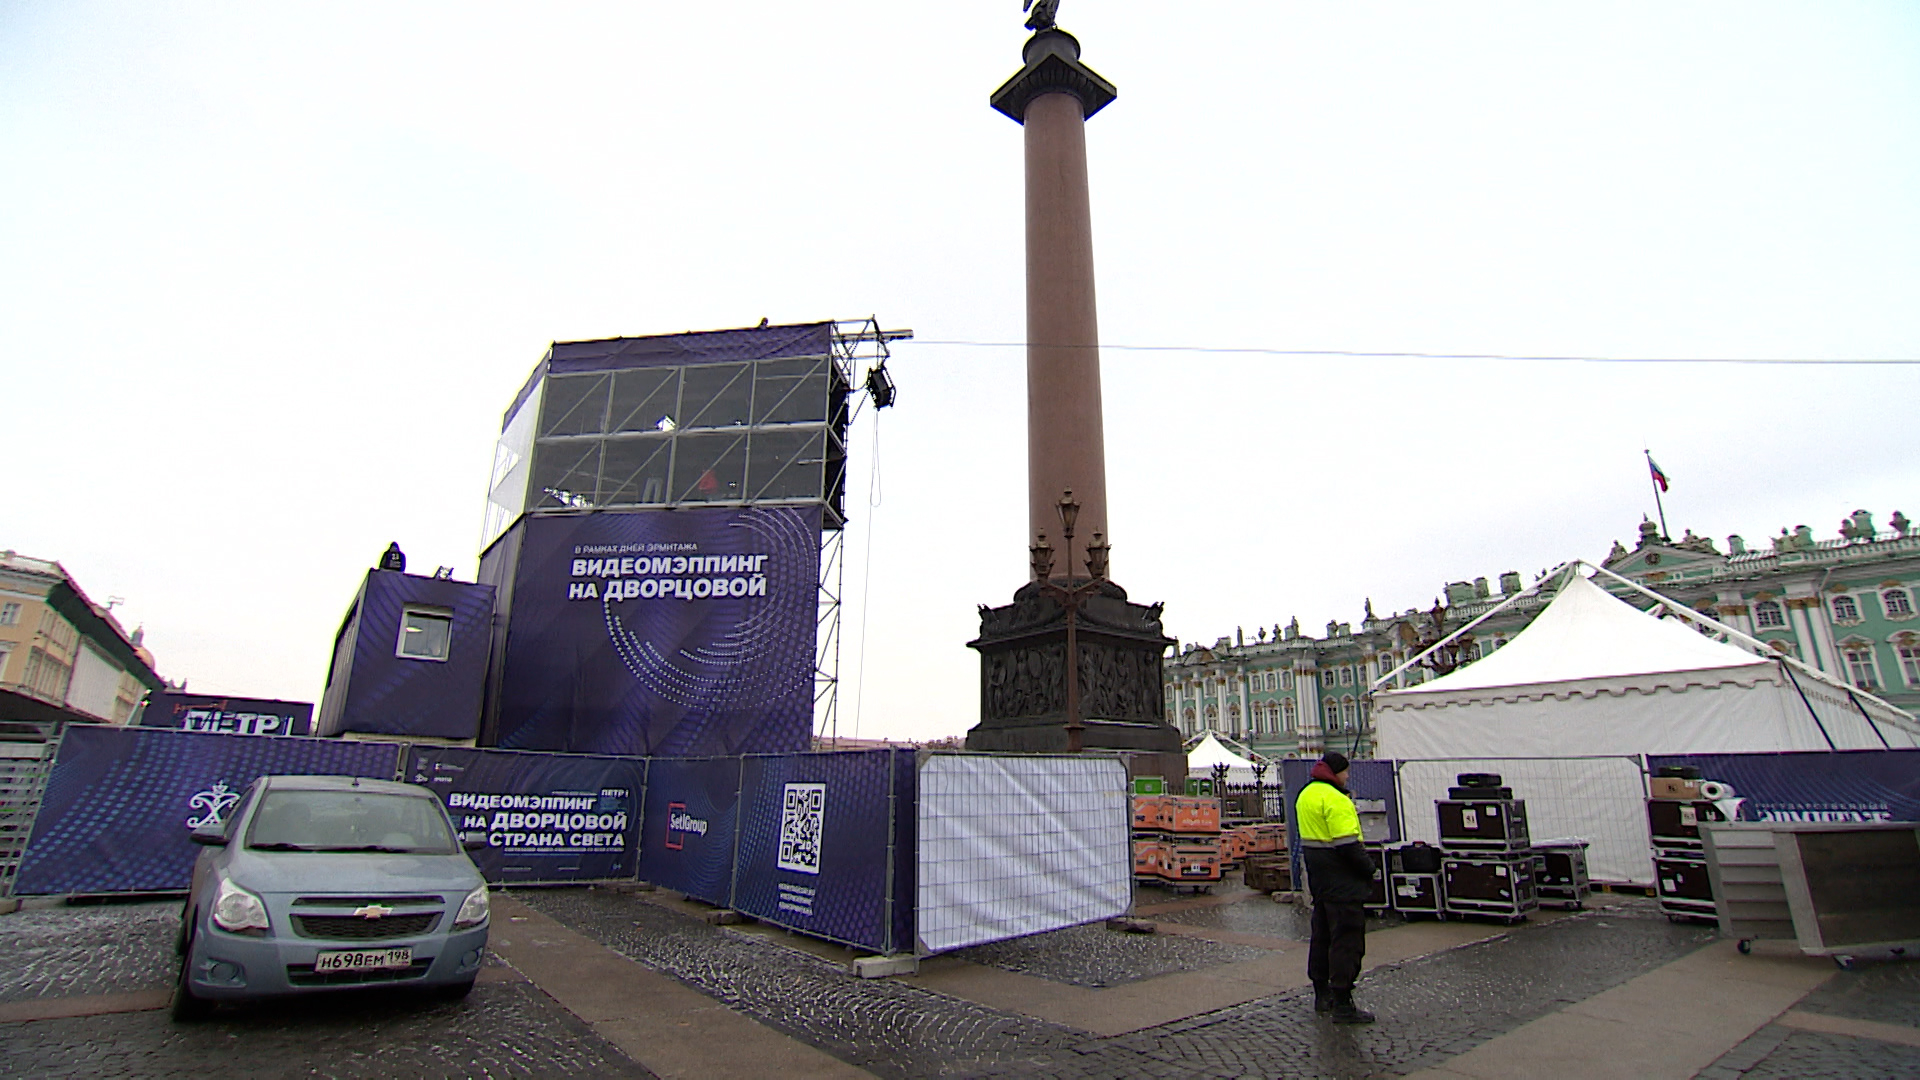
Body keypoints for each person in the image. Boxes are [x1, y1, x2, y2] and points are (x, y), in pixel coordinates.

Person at [1295, 750, 1377, 1023]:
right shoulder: (1336, 800)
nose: (1348, 776)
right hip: (1343, 881)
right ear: (1336, 772)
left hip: (1319, 879)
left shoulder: (1305, 795)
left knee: (1321, 937)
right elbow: (1347, 845)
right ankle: (1342, 1001)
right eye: (1345, 772)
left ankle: (1322, 993)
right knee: (1347, 941)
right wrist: (1369, 868)